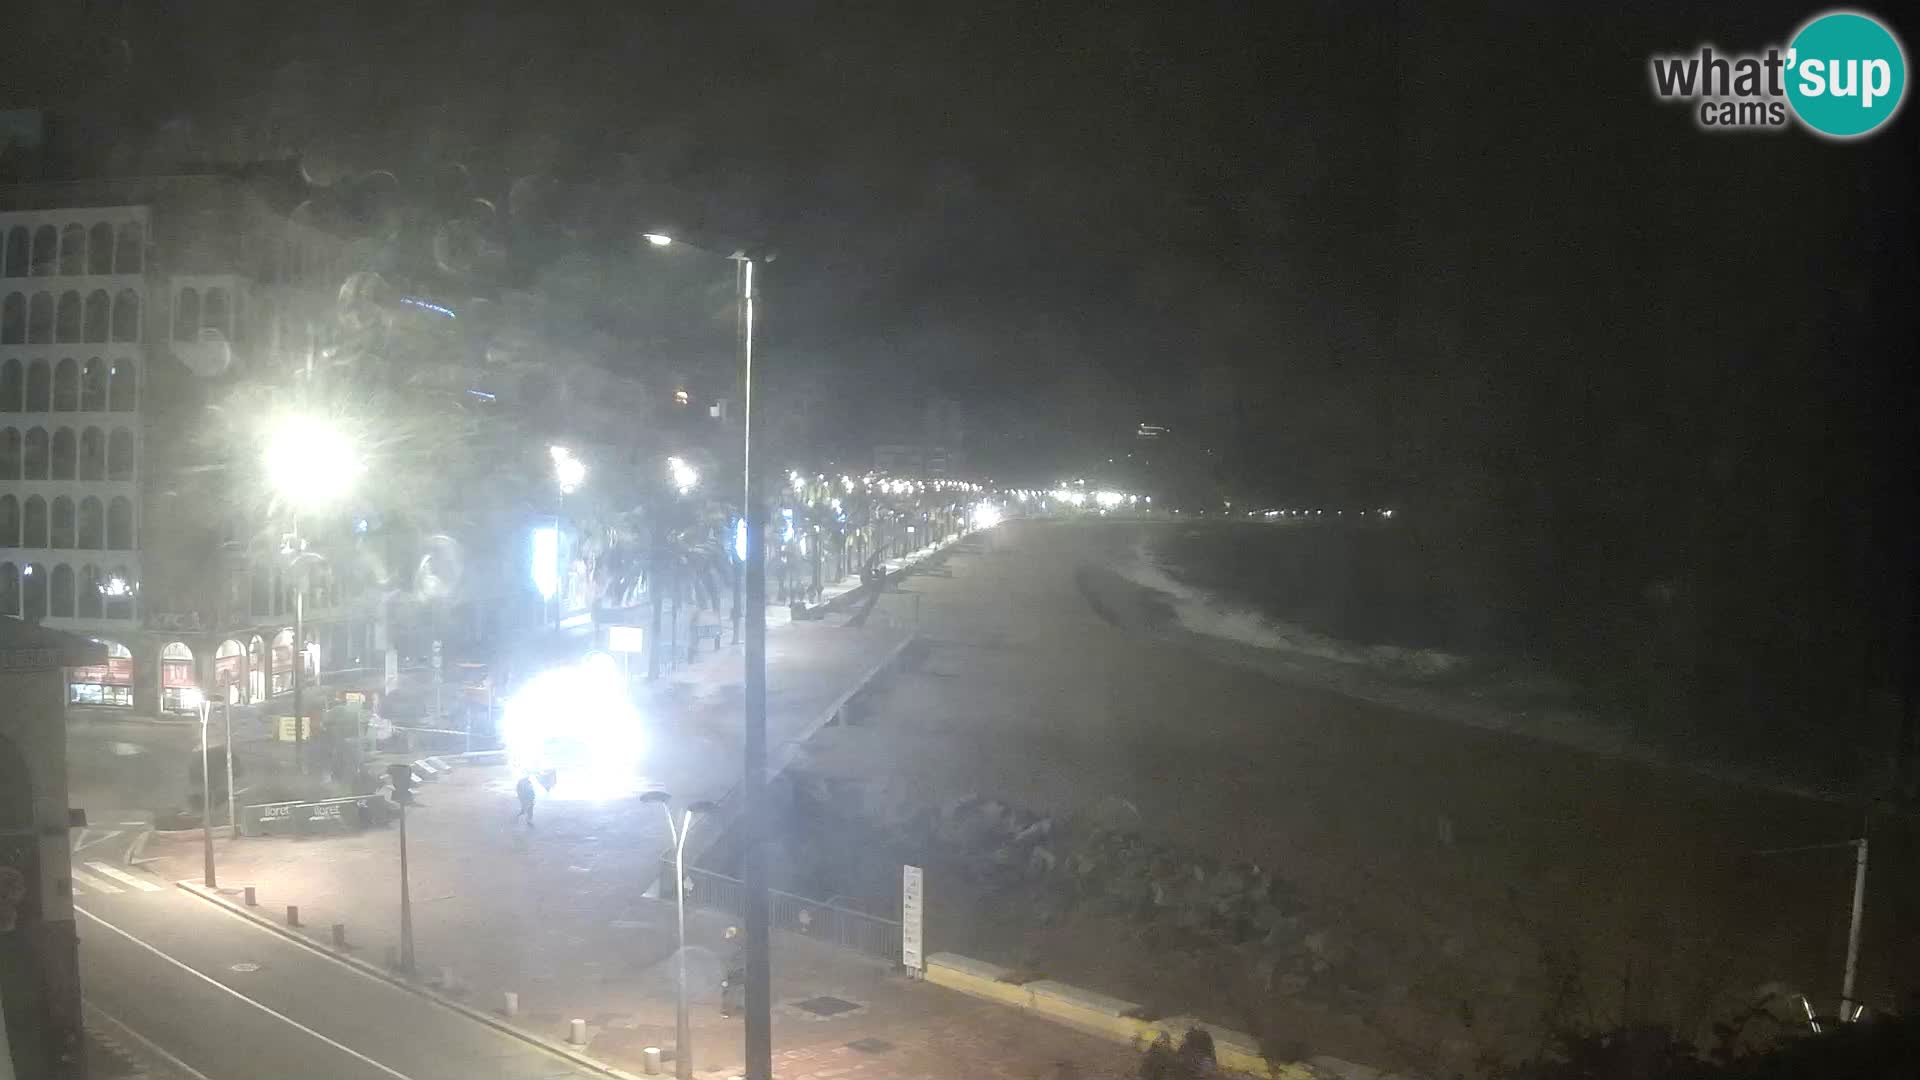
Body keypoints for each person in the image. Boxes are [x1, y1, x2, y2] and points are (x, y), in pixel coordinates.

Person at [720, 925, 745, 1017]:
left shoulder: (737, 946)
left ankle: (737, 1007)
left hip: (736, 970)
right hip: (731, 971)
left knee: (739, 988)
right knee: (728, 990)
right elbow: (726, 961)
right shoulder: (730, 947)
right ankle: (726, 1010)